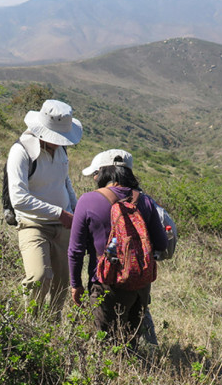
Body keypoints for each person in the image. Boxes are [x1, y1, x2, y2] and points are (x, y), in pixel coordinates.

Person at [68, 149, 167, 349]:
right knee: (131, 342)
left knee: (106, 344)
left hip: (105, 283)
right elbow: (162, 244)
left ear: (105, 173)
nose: (95, 178)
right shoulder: (145, 200)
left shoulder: (88, 200)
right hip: (139, 284)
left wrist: (75, 284)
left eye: (96, 174)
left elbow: (75, 250)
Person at [7, 99, 83, 317]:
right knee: (39, 276)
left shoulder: (61, 152)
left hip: (64, 226)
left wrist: (75, 211)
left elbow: (64, 182)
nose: (60, 142)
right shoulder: (21, 152)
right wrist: (60, 213)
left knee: (62, 284)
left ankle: (51, 326)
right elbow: (19, 199)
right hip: (33, 224)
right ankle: (31, 325)